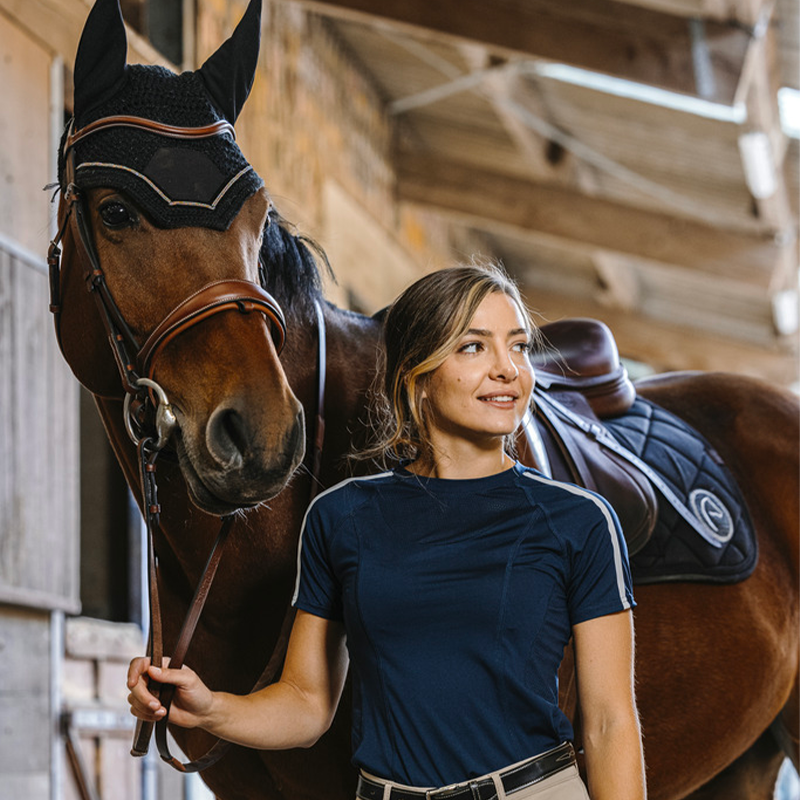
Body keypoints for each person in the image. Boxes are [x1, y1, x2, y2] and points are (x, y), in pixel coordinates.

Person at [127, 261, 646, 800]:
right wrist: (211, 707)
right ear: (415, 377)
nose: (507, 369)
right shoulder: (342, 518)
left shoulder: (579, 521)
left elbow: (609, 723)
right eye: (473, 347)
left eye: (517, 346)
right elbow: (307, 702)